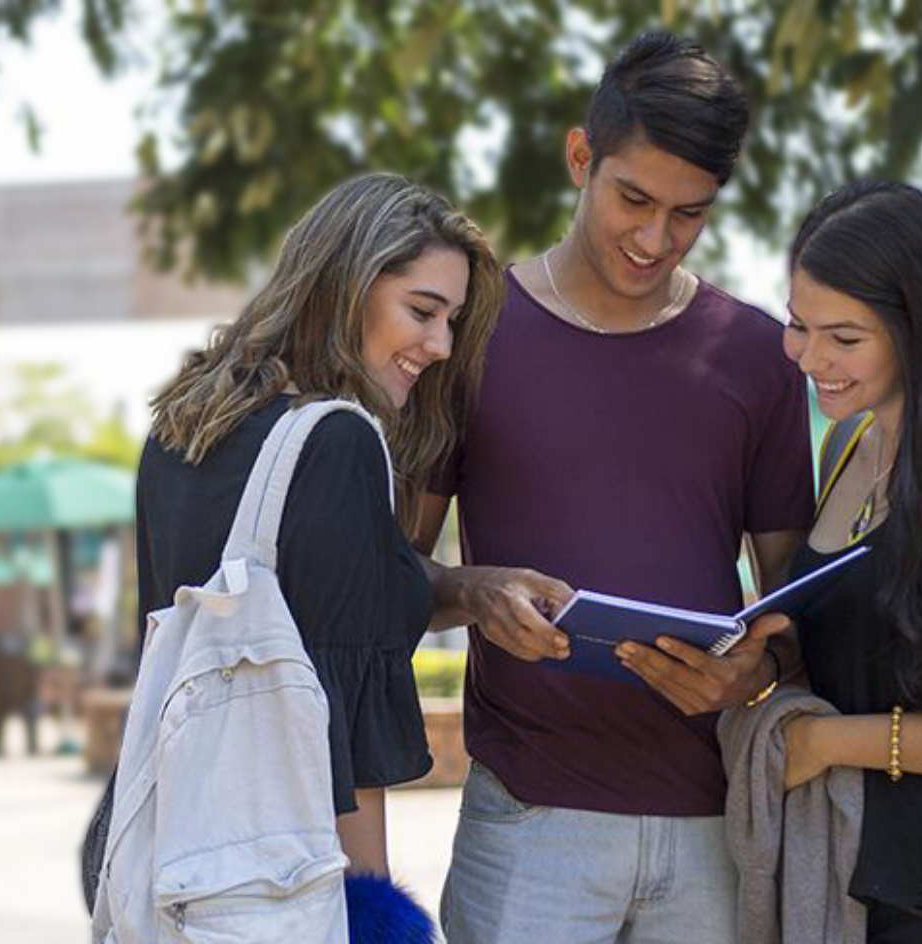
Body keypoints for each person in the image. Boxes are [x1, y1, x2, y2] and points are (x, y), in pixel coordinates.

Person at [410, 33, 816, 944]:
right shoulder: (469, 336)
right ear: (579, 157)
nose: (654, 238)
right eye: (634, 199)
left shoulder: (757, 355)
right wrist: (473, 593)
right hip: (530, 823)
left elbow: (796, 609)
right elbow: (391, 569)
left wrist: (758, 667)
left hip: (713, 829)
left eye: (689, 214)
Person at [100, 172, 504, 937]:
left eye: (451, 320)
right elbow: (342, 722)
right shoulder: (340, 440)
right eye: (421, 311)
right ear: (346, 284)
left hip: (169, 859)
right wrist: (375, 921)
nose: (440, 346)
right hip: (281, 881)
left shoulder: (181, 424)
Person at [770, 180, 922, 940]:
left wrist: (826, 742)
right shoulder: (846, 444)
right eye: (797, 325)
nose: (812, 358)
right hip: (852, 886)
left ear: (921, 328)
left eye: (845, 338)